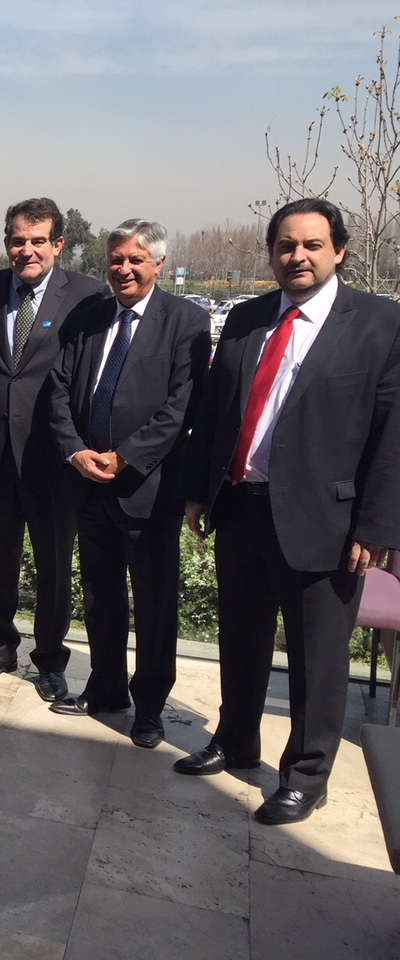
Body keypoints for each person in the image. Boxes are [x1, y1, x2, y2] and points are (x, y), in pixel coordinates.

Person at [175, 198, 400, 825]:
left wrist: (378, 528)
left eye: (311, 246)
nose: (297, 257)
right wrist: (201, 489)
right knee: (240, 638)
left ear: (339, 251)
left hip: (327, 522)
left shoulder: (380, 324)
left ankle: (306, 774)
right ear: (271, 252)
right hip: (243, 507)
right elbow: (218, 413)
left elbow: (393, 434)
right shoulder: (248, 319)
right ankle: (236, 738)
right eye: (285, 246)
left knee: (318, 658)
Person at [47, 219, 211, 748]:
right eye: (116, 259)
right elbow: (58, 391)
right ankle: (107, 688)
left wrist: (126, 458)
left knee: (155, 603)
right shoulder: (89, 317)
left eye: (136, 260)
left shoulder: (184, 321)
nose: (124, 269)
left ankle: (150, 705)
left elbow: (181, 407)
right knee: (100, 595)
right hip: (87, 484)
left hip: (149, 490)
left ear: (158, 264)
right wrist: (75, 451)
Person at [0, 198, 105, 701]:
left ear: (58, 244)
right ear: (6, 244)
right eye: (18, 241)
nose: (27, 250)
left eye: (38, 240)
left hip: (54, 457)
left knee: (52, 563)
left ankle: (49, 660)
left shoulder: (87, 295)